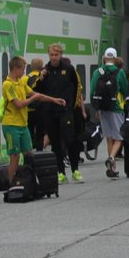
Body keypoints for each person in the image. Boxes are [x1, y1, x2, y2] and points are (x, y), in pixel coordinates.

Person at [1, 55, 65, 184]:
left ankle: (28, 180)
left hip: (22, 124)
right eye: (23, 69)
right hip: (11, 124)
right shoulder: (8, 85)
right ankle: (10, 182)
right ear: (15, 69)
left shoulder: (20, 83)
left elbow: (37, 95)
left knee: (28, 154)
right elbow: (18, 104)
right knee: (14, 155)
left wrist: (54, 100)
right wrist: (33, 99)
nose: (24, 72)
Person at [34, 43, 87, 183]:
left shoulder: (69, 69)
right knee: (55, 143)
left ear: (61, 55)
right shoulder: (45, 71)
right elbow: (36, 90)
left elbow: (78, 87)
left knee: (70, 139)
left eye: (56, 55)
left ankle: (75, 170)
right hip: (50, 112)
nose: (54, 58)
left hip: (65, 111)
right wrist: (41, 78)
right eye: (51, 55)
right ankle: (60, 172)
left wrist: (72, 106)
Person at [88, 47, 129, 179]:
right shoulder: (119, 72)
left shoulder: (97, 72)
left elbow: (92, 91)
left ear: (104, 58)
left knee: (109, 138)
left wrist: (95, 108)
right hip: (116, 107)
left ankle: (112, 169)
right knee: (119, 137)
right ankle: (112, 158)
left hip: (102, 108)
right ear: (116, 58)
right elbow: (124, 90)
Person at [26, 57, 47, 151]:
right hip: (41, 110)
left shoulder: (25, 78)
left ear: (31, 66)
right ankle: (39, 151)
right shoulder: (43, 77)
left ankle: (29, 152)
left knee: (29, 132)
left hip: (28, 110)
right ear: (41, 66)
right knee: (40, 133)